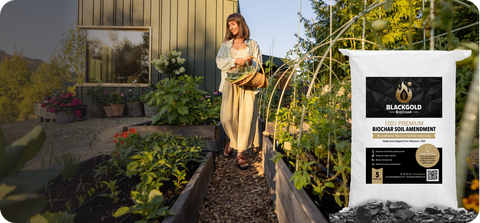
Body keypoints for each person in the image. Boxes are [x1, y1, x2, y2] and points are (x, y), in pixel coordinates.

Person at [216, 13, 262, 170]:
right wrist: (235, 60)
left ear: (241, 24)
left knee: (245, 119)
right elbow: (220, 62)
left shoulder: (253, 44)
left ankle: (240, 154)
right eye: (229, 25)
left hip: (247, 85)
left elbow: (258, 64)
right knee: (227, 118)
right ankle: (232, 142)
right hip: (230, 84)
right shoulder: (226, 45)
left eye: (233, 24)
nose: (231, 27)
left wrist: (249, 62)